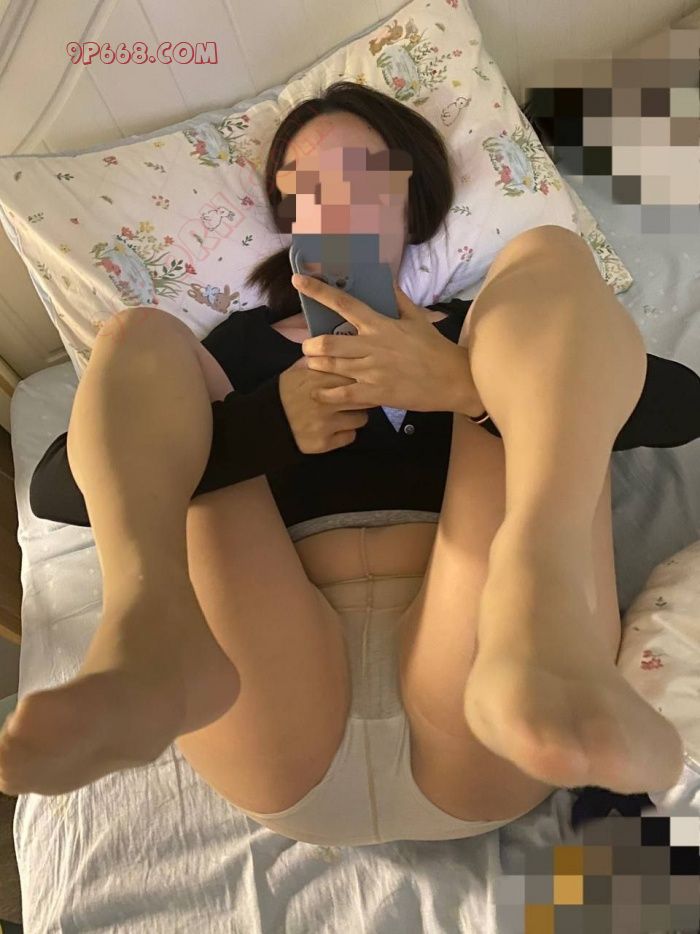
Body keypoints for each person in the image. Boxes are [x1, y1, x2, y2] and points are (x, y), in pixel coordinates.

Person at [3, 82, 699, 847]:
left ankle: (542, 607)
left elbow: (678, 409)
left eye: (362, 174)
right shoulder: (234, 352)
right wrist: (268, 423)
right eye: (308, 183)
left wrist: (464, 384)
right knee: (139, 335)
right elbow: (63, 488)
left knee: (546, 258)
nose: (335, 198)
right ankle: (149, 633)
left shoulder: (492, 328)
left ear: (411, 197)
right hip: (268, 703)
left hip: (490, 695)